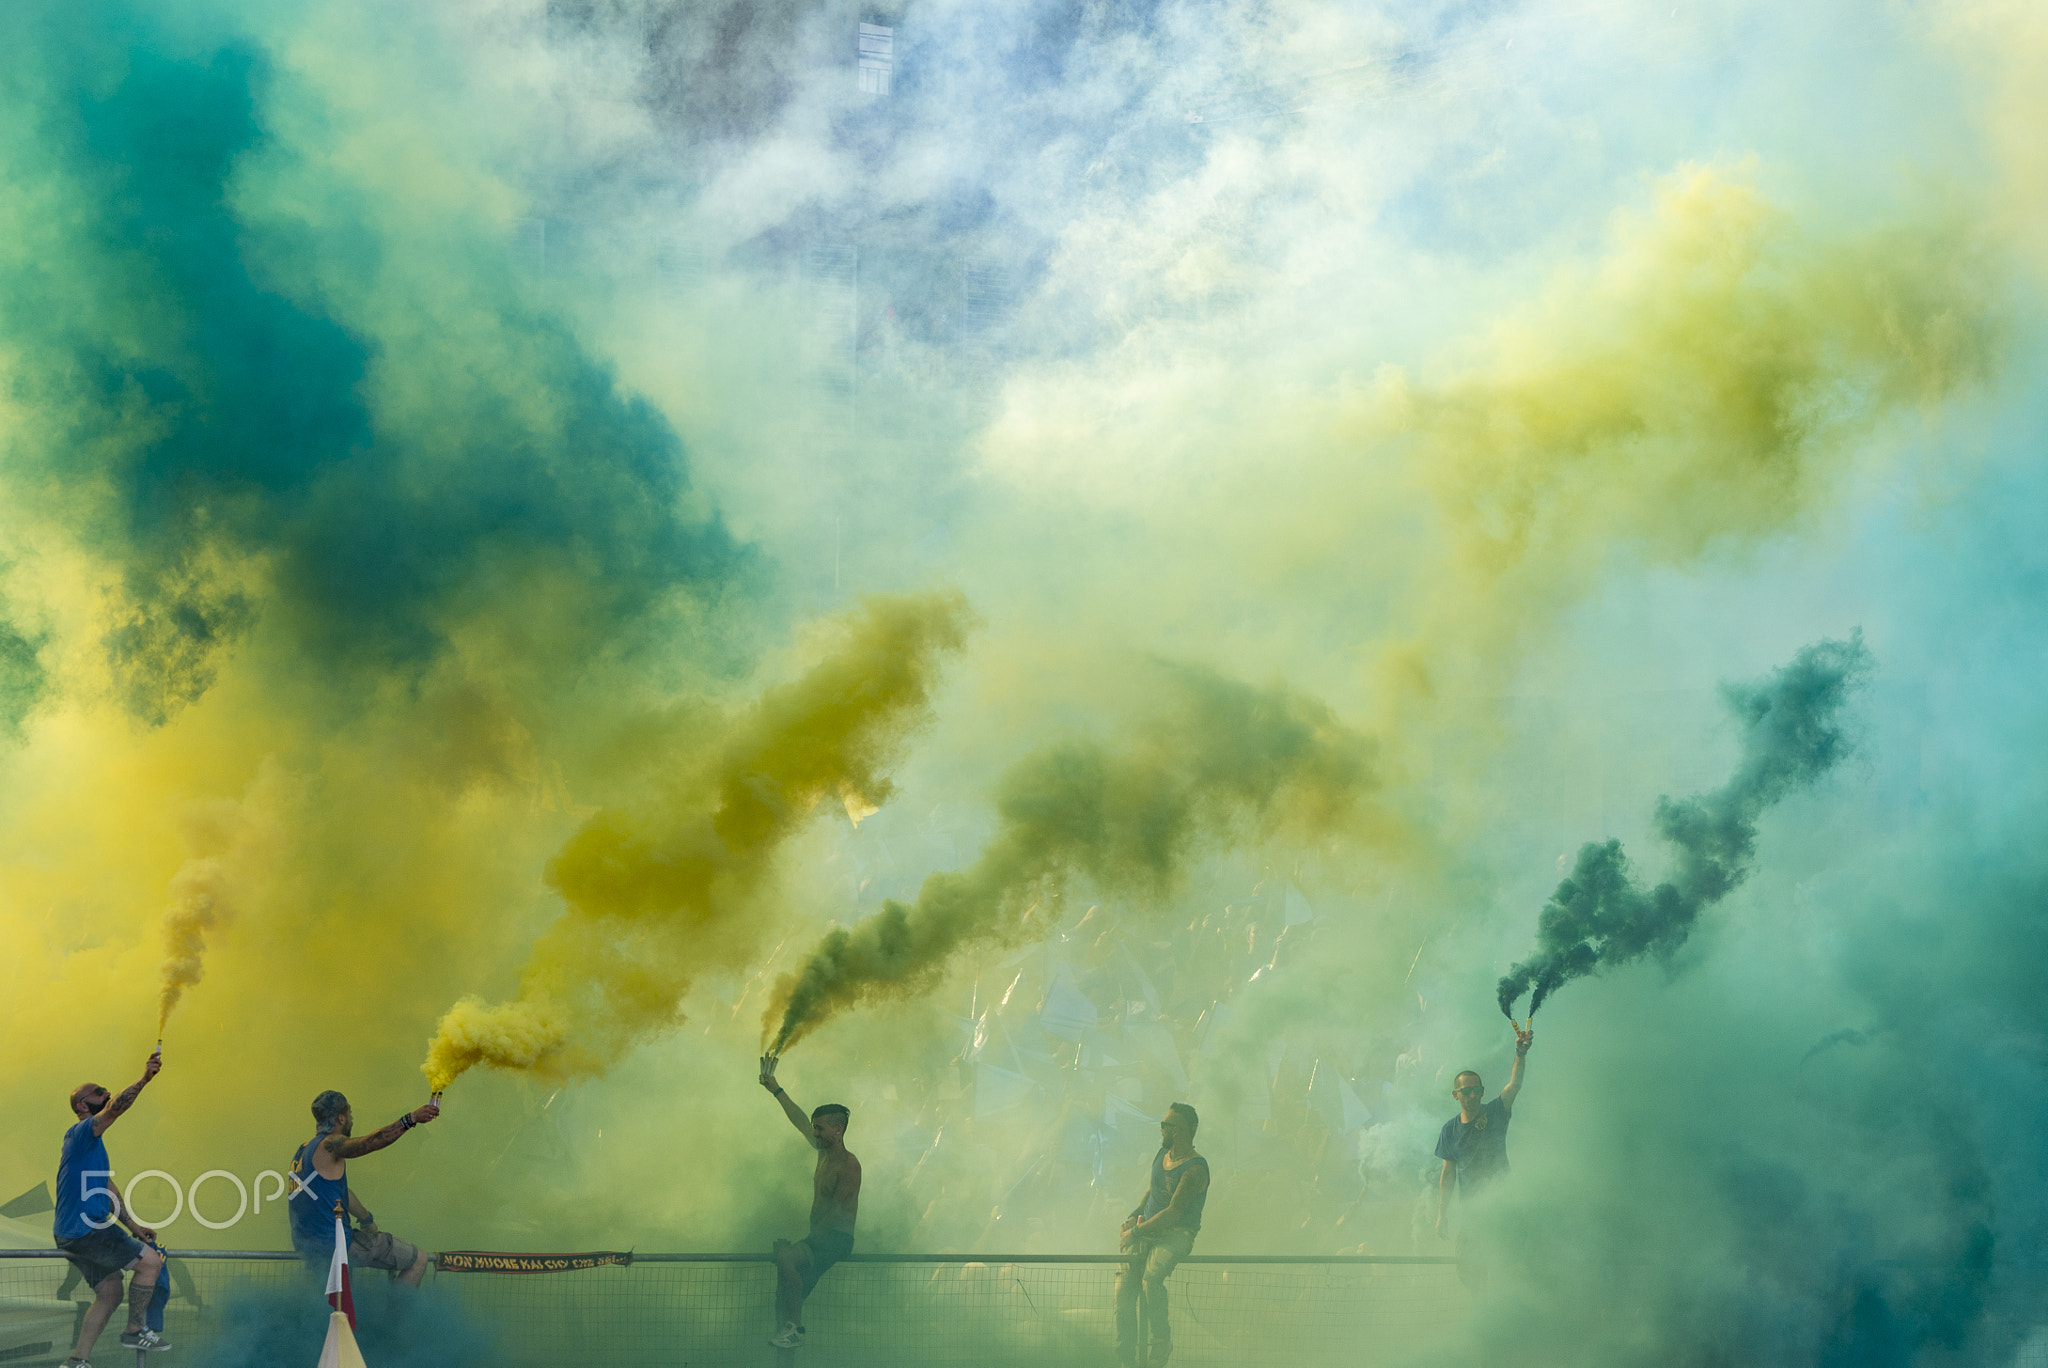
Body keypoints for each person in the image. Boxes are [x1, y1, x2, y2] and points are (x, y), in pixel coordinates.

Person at [54, 1049, 167, 1364]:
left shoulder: (91, 1146)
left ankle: (78, 1360)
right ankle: (134, 1330)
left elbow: (106, 1188)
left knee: (111, 1291)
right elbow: (116, 1108)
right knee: (150, 1263)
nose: (106, 1093)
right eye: (99, 1091)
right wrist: (145, 1078)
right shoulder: (81, 1131)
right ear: (82, 1105)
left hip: (73, 1232)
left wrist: (133, 1227)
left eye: (105, 1090)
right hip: (85, 1229)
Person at [758, 1055, 862, 1351]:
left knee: (788, 1259)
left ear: (837, 1130)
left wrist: (805, 1246)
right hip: (820, 1239)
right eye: (815, 1128)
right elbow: (799, 1118)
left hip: (835, 1240)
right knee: (788, 1289)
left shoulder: (849, 1164)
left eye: (820, 1128)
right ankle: (789, 1329)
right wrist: (775, 1088)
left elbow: (838, 1211)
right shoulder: (822, 1152)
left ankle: (794, 1330)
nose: (813, 1132)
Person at [287, 1090, 439, 1286]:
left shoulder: (303, 1151)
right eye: (350, 1114)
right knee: (418, 1259)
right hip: (336, 1244)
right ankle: (400, 1317)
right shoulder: (329, 1145)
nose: (351, 1119)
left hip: (310, 1247)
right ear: (341, 1118)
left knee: (336, 1306)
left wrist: (366, 1218)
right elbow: (371, 1142)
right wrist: (411, 1119)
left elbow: (343, 1196)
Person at [1115, 1102, 1210, 1368]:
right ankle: (1125, 1357)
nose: (1161, 1129)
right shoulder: (1162, 1153)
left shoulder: (1195, 1168)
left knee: (1151, 1280)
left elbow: (1173, 1212)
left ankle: (1161, 1342)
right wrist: (1134, 1213)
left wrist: (1135, 1231)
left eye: (1165, 1125)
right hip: (1146, 1230)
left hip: (1177, 1235)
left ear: (1178, 1131)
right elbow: (1152, 1190)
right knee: (1123, 1292)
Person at [1434, 1022, 1533, 1241]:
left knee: (1508, 1261)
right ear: (1456, 1094)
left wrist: (1520, 1053)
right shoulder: (1449, 1130)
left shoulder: (1495, 1112)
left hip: (1504, 1204)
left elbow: (1514, 1085)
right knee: (1470, 1266)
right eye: (1466, 1091)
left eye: (1477, 1090)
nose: (1472, 1095)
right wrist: (1442, 1215)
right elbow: (1448, 1174)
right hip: (1472, 1210)